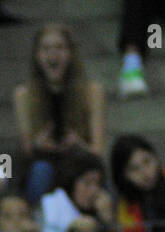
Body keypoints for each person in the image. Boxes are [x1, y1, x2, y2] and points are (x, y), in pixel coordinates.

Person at [12, 24, 107, 205]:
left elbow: (98, 151)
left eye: (60, 48)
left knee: (89, 176)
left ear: (71, 53)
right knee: (41, 170)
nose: (53, 55)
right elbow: (26, 151)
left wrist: (77, 143)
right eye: (46, 49)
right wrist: (38, 143)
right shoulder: (24, 94)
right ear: (36, 55)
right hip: (43, 165)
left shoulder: (92, 91)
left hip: (80, 163)